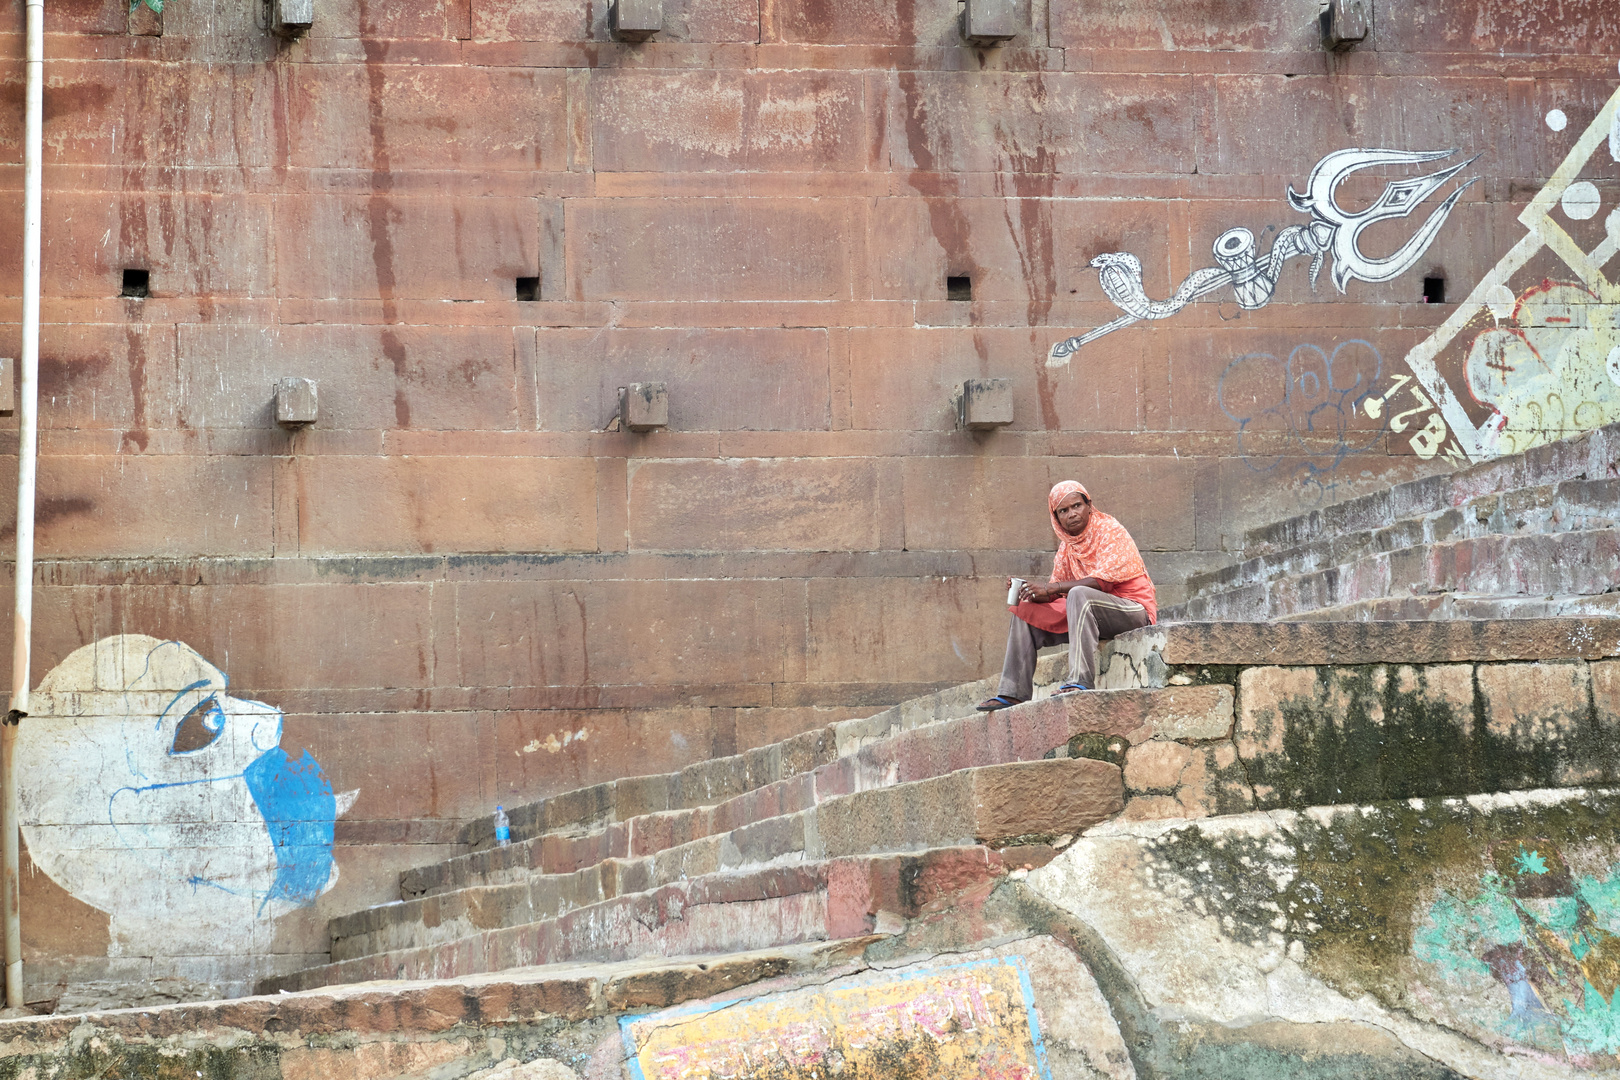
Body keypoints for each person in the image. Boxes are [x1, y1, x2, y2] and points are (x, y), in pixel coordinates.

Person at [977, 480, 1157, 710]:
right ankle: (1013, 693)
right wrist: (1030, 591)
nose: (1072, 514)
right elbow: (1055, 593)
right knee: (1024, 609)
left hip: (1133, 610)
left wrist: (1052, 589)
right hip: (1090, 612)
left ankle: (1080, 681)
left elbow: (1100, 583)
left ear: (1089, 505)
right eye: (1064, 510)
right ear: (1056, 517)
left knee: (1080, 593)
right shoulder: (1067, 548)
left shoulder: (1109, 530)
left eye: (1076, 506)